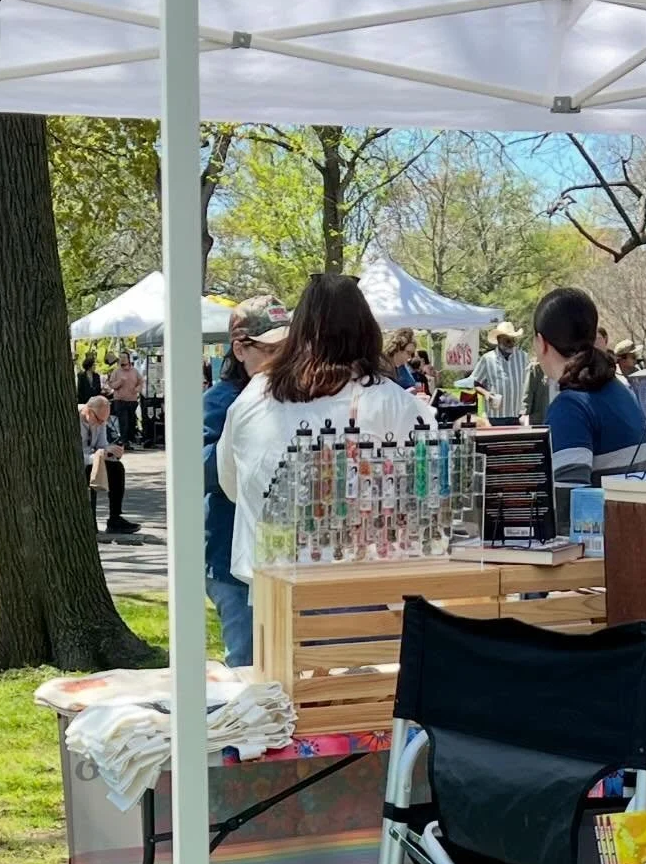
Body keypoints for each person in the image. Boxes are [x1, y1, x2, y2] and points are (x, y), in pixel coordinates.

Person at [218, 271, 432, 587]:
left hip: (271, 581)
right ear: (367, 331)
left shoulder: (254, 393)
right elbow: (423, 492)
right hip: (359, 581)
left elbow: (233, 485)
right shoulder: (391, 401)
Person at [204, 295, 289, 667]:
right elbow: (202, 471)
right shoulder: (219, 402)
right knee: (247, 664)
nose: (281, 358)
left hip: (282, 559)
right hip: (231, 559)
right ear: (240, 349)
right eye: (270, 348)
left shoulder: (290, 397)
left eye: (287, 347)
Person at [532, 286, 646, 493]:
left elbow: (568, 505)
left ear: (541, 343)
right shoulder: (622, 392)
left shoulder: (571, 408)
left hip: (609, 524)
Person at [80, 393, 138, 534]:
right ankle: (90, 521)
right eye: (99, 420)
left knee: (117, 468)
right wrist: (100, 455)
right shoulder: (76, 419)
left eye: (104, 421)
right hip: (81, 463)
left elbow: (101, 445)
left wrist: (111, 452)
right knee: (90, 473)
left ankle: (115, 518)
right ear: (88, 410)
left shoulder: (100, 421)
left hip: (92, 459)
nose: (101, 424)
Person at [471, 321, 528, 424]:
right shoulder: (487, 359)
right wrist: (487, 394)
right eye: (507, 340)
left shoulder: (523, 357)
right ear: (499, 340)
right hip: (495, 416)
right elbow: (475, 383)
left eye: (513, 340)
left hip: (517, 415)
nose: (511, 344)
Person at [106, 350, 143, 446]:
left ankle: (129, 440)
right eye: (120, 357)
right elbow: (111, 385)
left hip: (132, 401)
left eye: (124, 357)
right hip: (120, 401)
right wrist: (120, 382)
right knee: (124, 422)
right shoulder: (116, 371)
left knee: (131, 422)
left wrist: (137, 389)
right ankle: (124, 442)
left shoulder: (134, 371)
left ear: (128, 359)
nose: (122, 359)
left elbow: (141, 382)